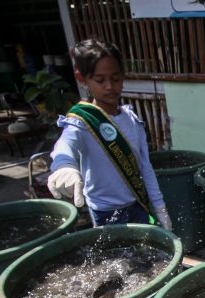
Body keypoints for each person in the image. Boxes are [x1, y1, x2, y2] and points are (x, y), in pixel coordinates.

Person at [47, 39, 172, 229]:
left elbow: (146, 168)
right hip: (105, 212)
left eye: (115, 78)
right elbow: (65, 145)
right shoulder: (82, 122)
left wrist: (160, 207)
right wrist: (64, 165)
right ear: (82, 78)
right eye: (99, 80)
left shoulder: (132, 119)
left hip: (138, 206)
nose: (109, 86)